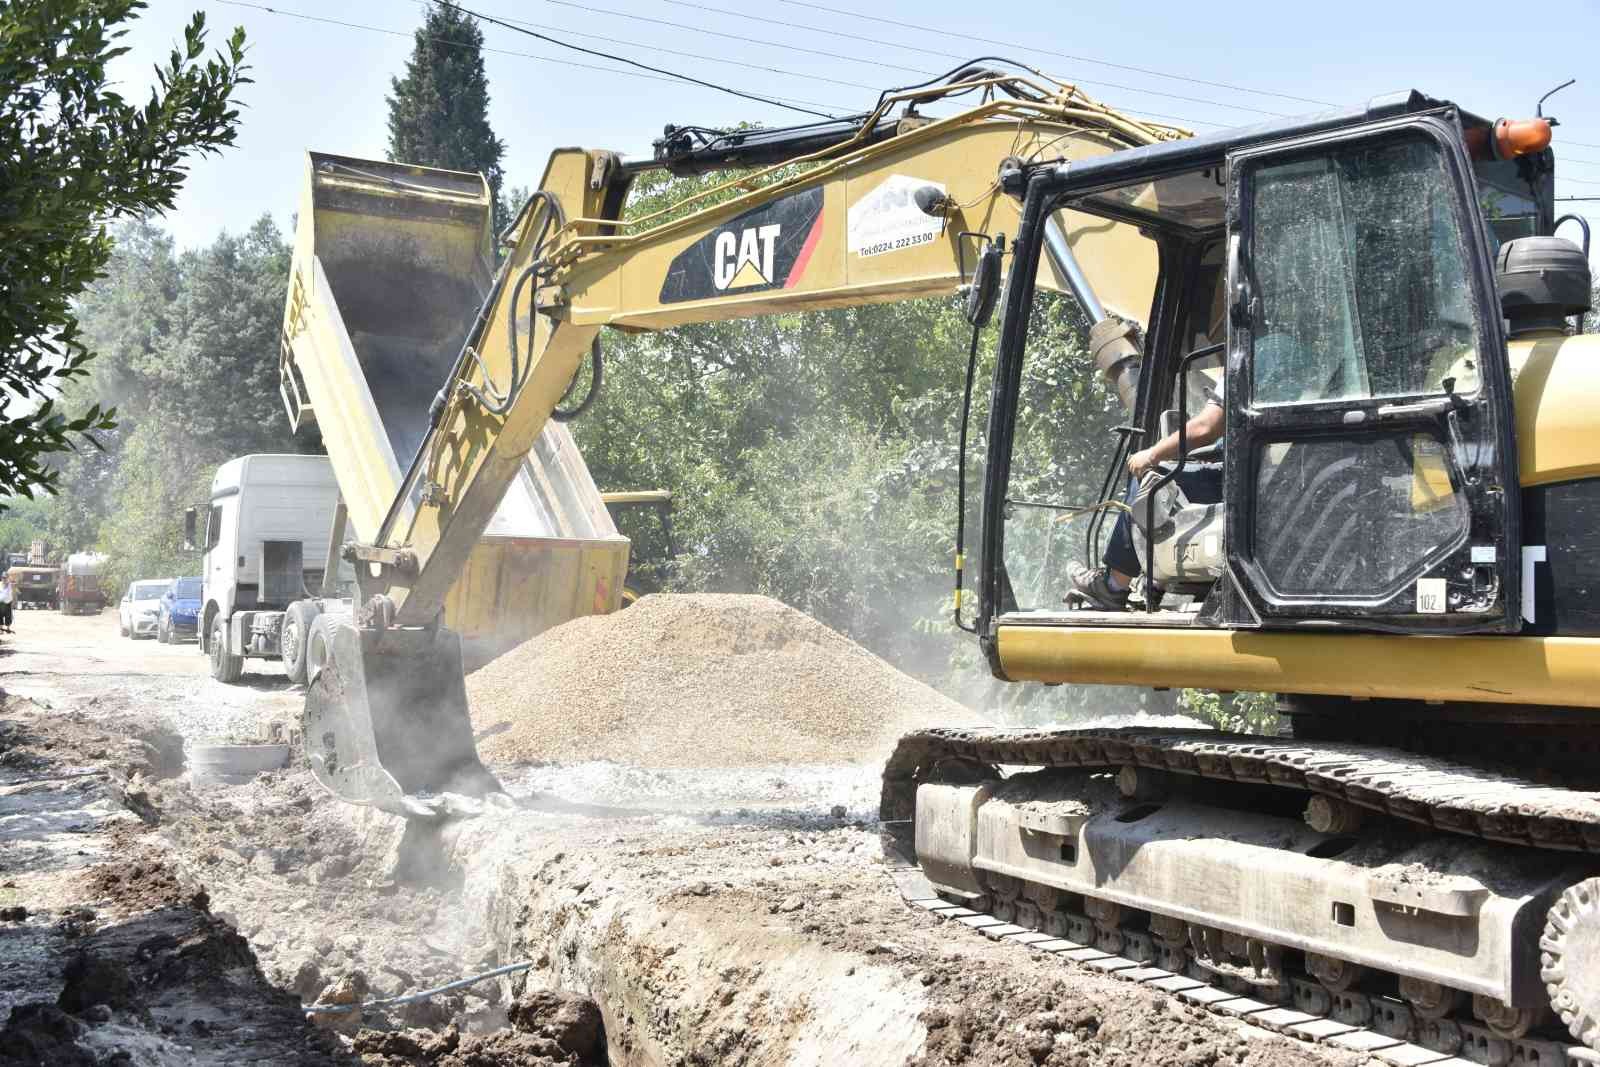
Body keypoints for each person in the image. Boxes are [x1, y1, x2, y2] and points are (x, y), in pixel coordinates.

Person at [1066, 383, 1226, 611]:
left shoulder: (1252, 352)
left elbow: (1206, 427)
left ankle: (1114, 585)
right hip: (1263, 479)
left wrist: (1152, 454)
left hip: (1237, 480)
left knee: (1150, 478)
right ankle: (1153, 582)